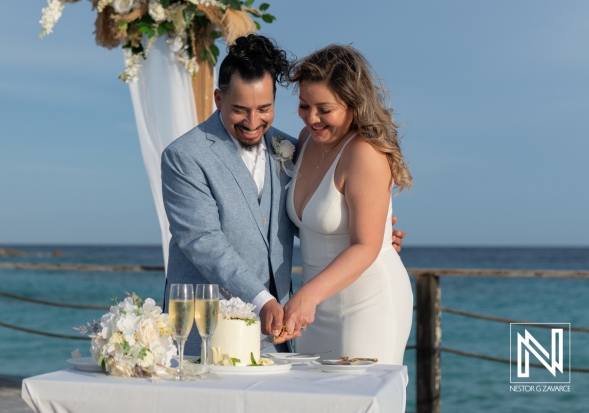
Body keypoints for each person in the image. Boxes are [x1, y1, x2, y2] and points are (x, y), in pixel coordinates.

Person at [161, 35, 406, 356]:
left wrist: (377, 236)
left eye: (264, 109)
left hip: (292, 320)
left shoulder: (290, 146)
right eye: (239, 110)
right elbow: (203, 241)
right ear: (219, 99)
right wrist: (263, 300)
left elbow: (330, 216)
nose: (252, 122)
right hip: (210, 319)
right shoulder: (184, 155)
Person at [281, 44, 413, 364]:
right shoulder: (305, 138)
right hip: (314, 305)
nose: (312, 118)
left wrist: (305, 297)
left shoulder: (364, 153)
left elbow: (366, 247)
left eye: (324, 109)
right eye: (303, 105)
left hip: (366, 303)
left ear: (353, 103)